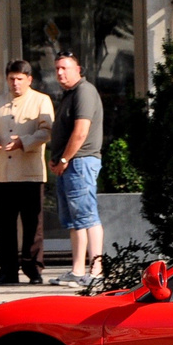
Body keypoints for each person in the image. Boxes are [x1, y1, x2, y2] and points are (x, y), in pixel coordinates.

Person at [0, 59, 55, 285]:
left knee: (33, 224)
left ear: (29, 80)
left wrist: (24, 142)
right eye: (11, 79)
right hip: (4, 173)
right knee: (5, 225)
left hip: (30, 172)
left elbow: (46, 131)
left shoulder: (41, 100)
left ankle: (34, 268)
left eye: (20, 79)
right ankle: (7, 270)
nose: (15, 84)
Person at [47, 52, 105, 288]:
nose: (60, 73)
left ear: (78, 69)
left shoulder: (84, 91)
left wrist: (63, 159)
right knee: (74, 220)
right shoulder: (70, 94)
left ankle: (97, 271)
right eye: (57, 69)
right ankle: (78, 270)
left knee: (87, 216)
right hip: (70, 163)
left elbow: (81, 131)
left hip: (80, 162)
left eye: (65, 68)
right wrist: (58, 159)